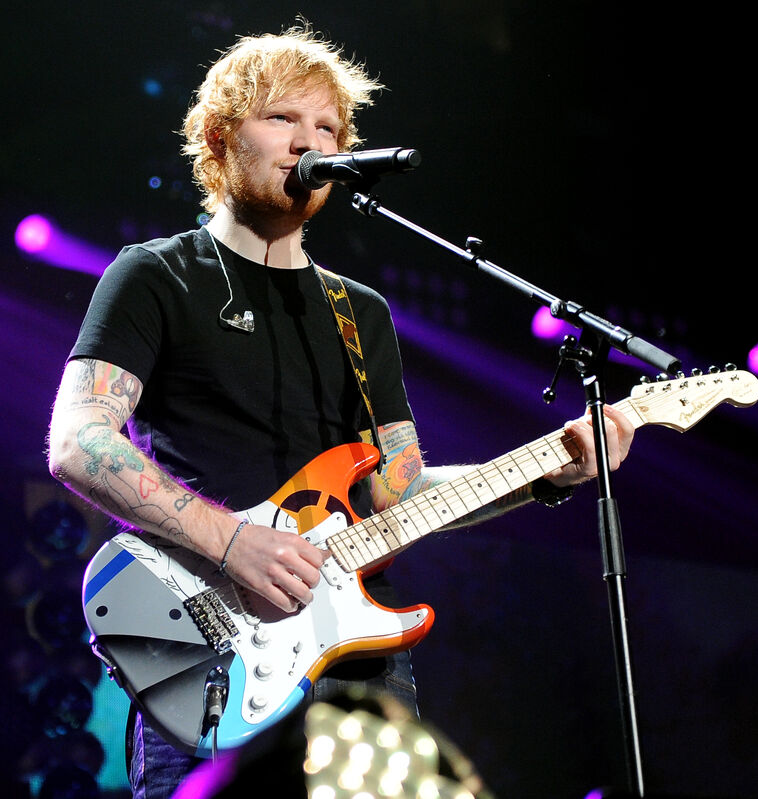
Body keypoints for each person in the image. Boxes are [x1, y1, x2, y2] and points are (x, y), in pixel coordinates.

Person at [46, 23, 635, 799]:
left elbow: (398, 491)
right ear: (222, 137)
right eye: (284, 118)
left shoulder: (362, 314)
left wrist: (545, 472)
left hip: (360, 675)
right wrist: (232, 541)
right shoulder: (156, 275)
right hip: (213, 658)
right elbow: (79, 442)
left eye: (328, 127)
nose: (310, 140)